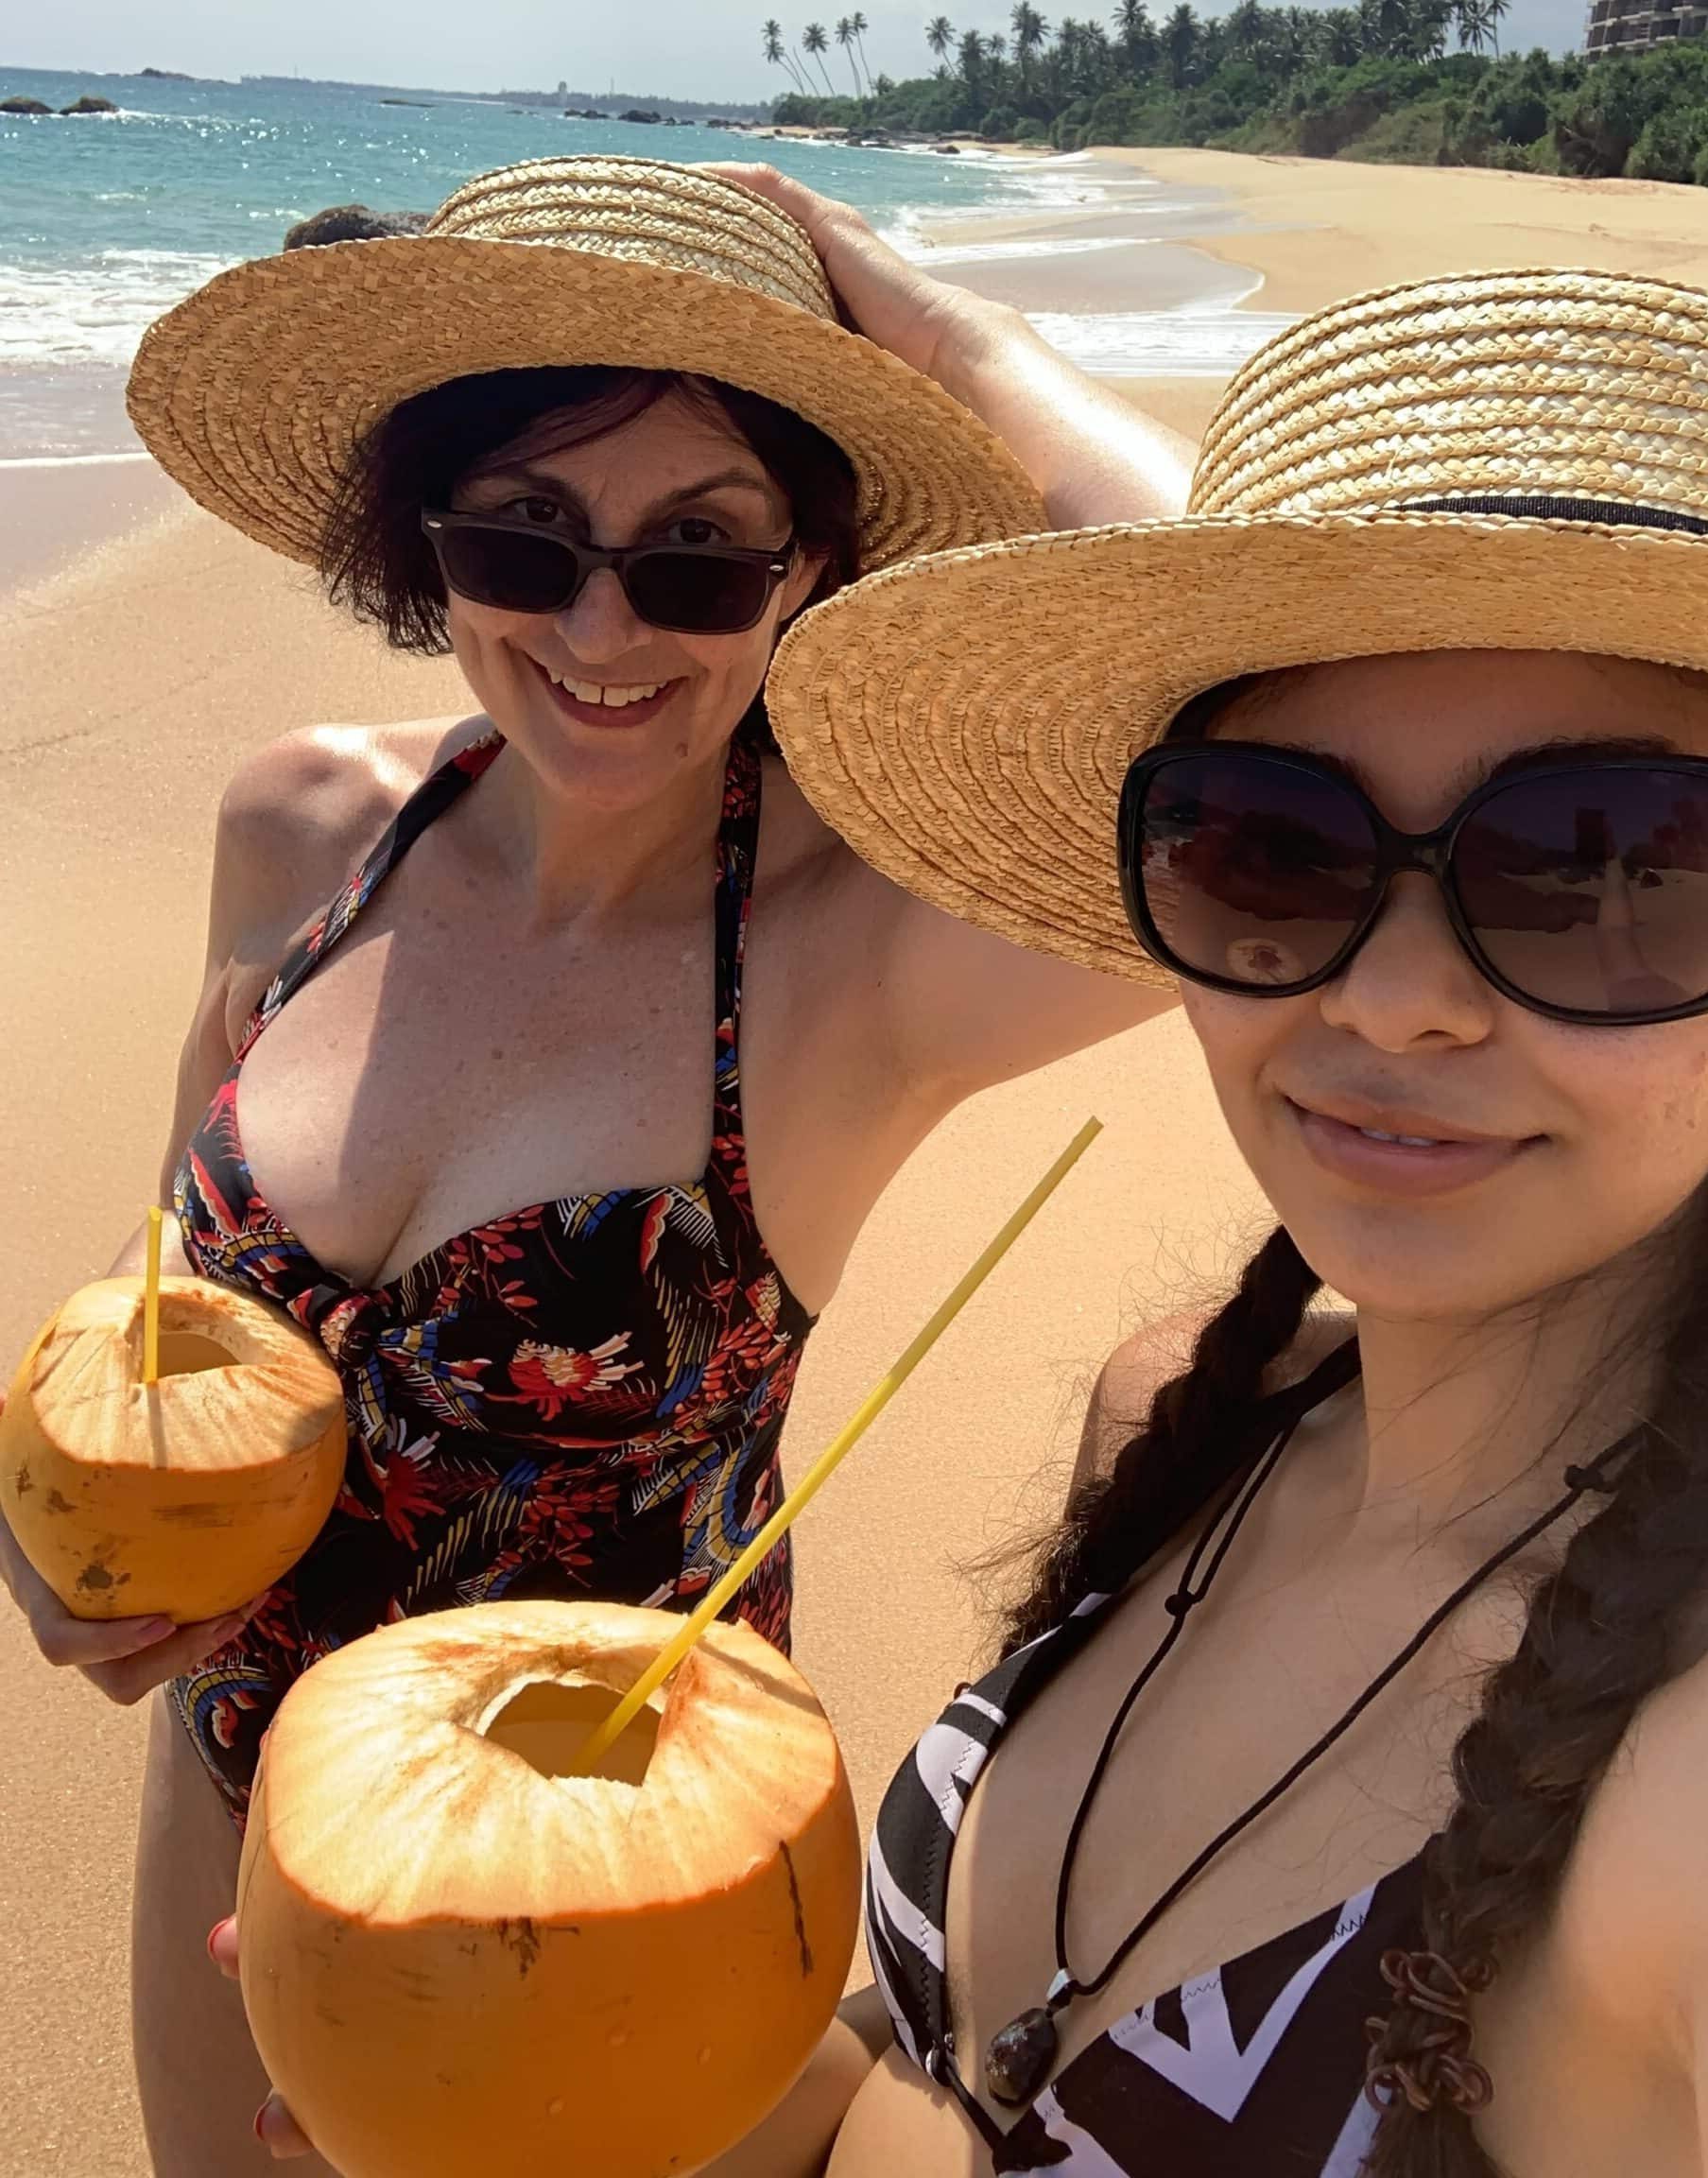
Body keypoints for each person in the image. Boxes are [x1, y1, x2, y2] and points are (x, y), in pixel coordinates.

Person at [231, 268, 1708, 2171]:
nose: (1398, 1000)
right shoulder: (1185, 1431)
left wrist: (954, 350)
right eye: (1274, 843)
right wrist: (625, 2084)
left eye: (1608, 869)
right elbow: (957, 2122)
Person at [0, 156, 1188, 2176]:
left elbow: (1262, 695)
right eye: (523, 541)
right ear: (422, 545)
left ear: (809, 568)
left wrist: (938, 335)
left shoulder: (852, 958)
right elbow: (160, 1316)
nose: (604, 627)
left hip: (622, 1950)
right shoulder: (304, 831)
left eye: (703, 554)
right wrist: (72, 1535)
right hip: (236, 1839)